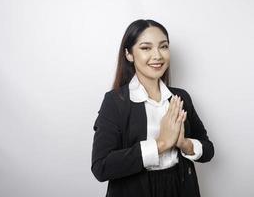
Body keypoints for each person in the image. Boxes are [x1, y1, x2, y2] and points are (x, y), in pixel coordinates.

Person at [91, 19, 214, 197]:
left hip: (180, 188)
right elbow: (101, 167)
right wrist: (161, 144)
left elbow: (208, 150)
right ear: (129, 54)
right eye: (146, 48)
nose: (157, 55)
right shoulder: (115, 101)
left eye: (163, 46)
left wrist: (184, 143)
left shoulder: (181, 98)